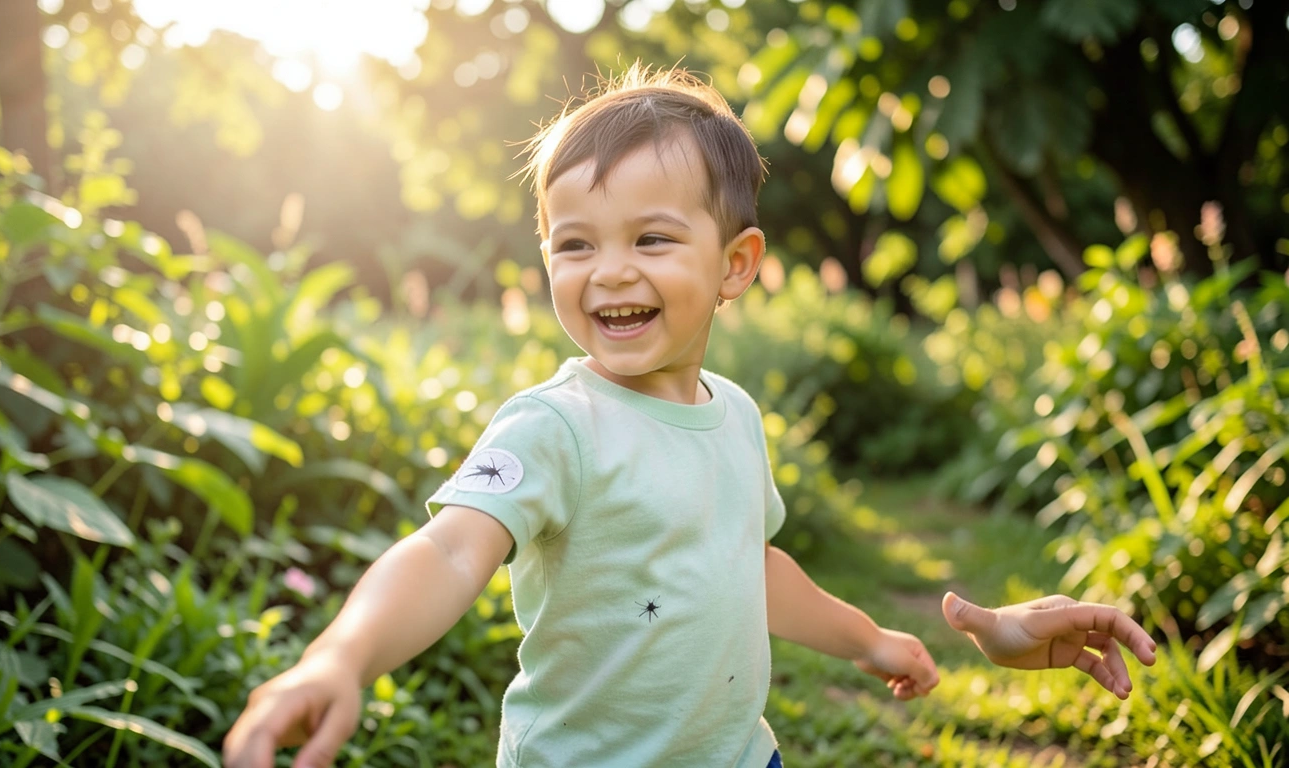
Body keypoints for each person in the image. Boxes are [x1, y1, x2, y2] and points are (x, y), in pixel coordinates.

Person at [222, 67, 1157, 768]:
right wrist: (339, 657)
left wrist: (868, 638)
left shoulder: (735, 415)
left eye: (652, 238)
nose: (610, 271)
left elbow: (745, 563)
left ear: (736, 265)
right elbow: (451, 551)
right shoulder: (553, 428)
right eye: (574, 244)